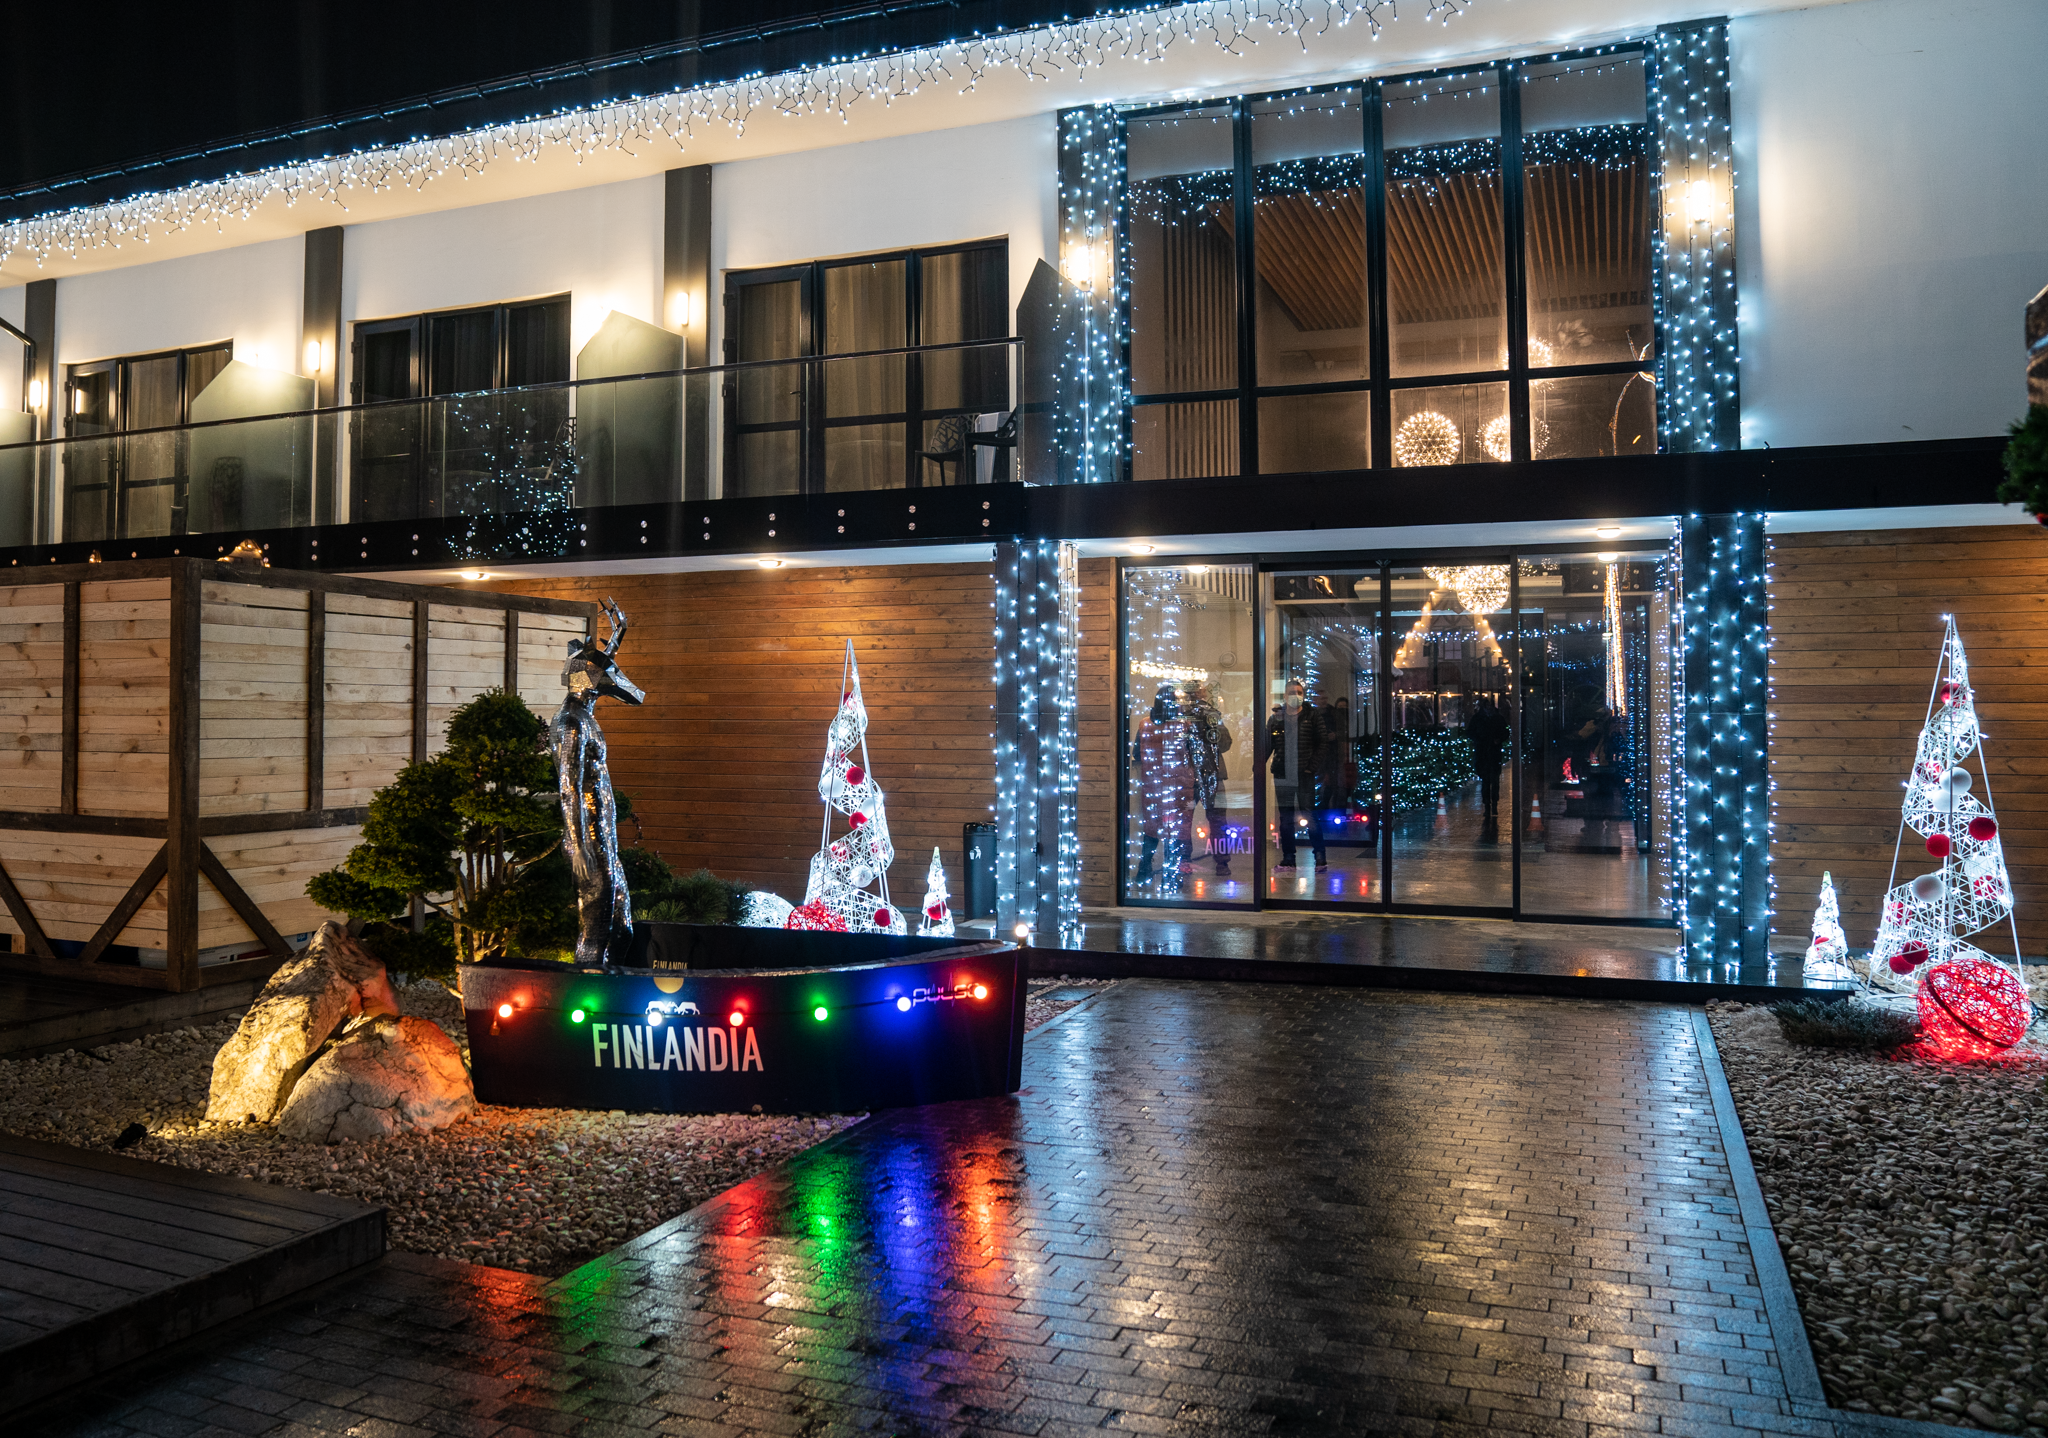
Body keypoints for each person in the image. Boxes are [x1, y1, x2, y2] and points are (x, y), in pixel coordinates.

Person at [1265, 679, 1326, 873]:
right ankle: (1288, 858)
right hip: (1283, 773)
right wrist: (1258, 764)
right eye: (1292, 692)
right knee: (1285, 818)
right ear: (1285, 695)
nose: (1296, 696)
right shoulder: (1277, 718)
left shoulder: (1312, 715)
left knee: (1310, 814)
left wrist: (1311, 767)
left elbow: (1322, 743)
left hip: (1304, 774)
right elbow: (1268, 744)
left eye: (1299, 692)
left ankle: (1320, 857)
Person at [1134, 686, 1193, 887]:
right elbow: (1192, 755)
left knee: (1151, 831)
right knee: (1174, 832)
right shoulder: (1183, 726)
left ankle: (1144, 872)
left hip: (1153, 786)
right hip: (1178, 786)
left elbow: (1136, 754)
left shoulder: (1144, 724)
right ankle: (1171, 875)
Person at [1183, 680, 1234, 877]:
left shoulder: (1182, 715)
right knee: (1217, 820)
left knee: (1186, 820)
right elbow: (1225, 743)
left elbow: (1224, 742)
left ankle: (1185, 861)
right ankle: (1221, 862)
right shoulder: (1208, 714)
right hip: (1210, 772)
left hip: (1190, 774)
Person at [1467, 694, 1510, 821]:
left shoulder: (1484, 718)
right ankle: (1488, 805)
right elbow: (1470, 732)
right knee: (1488, 781)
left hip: (1489, 753)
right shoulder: (1492, 718)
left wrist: (1496, 739)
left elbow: (1505, 732)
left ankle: (1492, 804)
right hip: (1487, 753)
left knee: (1492, 781)